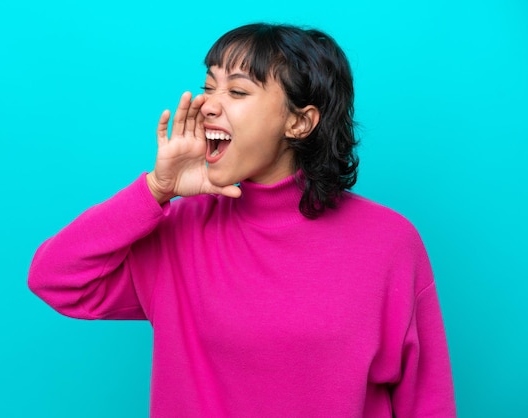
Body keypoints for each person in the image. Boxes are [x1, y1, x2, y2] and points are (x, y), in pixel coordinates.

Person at [28, 23, 456, 417]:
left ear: (300, 121)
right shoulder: (181, 230)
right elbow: (54, 278)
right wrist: (157, 189)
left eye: (237, 92)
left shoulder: (388, 241)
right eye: (208, 87)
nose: (208, 105)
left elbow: (426, 399)